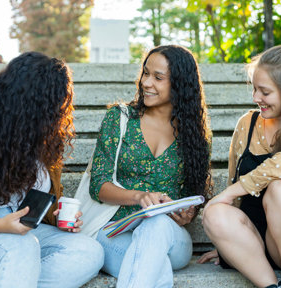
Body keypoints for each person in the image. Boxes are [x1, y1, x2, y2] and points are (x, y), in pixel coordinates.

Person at [199, 43, 281, 288]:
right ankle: (271, 285)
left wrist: (225, 195)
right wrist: (229, 242)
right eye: (255, 89)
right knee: (215, 212)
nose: (256, 98)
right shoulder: (247, 123)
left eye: (264, 92)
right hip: (253, 241)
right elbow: (234, 186)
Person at [90, 45, 212, 287]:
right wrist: (139, 197)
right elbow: (98, 185)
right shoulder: (120, 118)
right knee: (155, 267)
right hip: (115, 233)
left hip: (171, 238)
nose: (146, 82)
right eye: (145, 73)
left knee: (155, 225)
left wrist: (187, 213)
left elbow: (193, 195)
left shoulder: (194, 135)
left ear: (179, 84)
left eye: (158, 77)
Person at [0, 52, 104, 288]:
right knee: (23, 246)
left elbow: (39, 200)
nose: (58, 110)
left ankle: (14, 278)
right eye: (52, 102)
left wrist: (59, 216)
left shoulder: (44, 135)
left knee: (89, 251)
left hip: (25, 233)